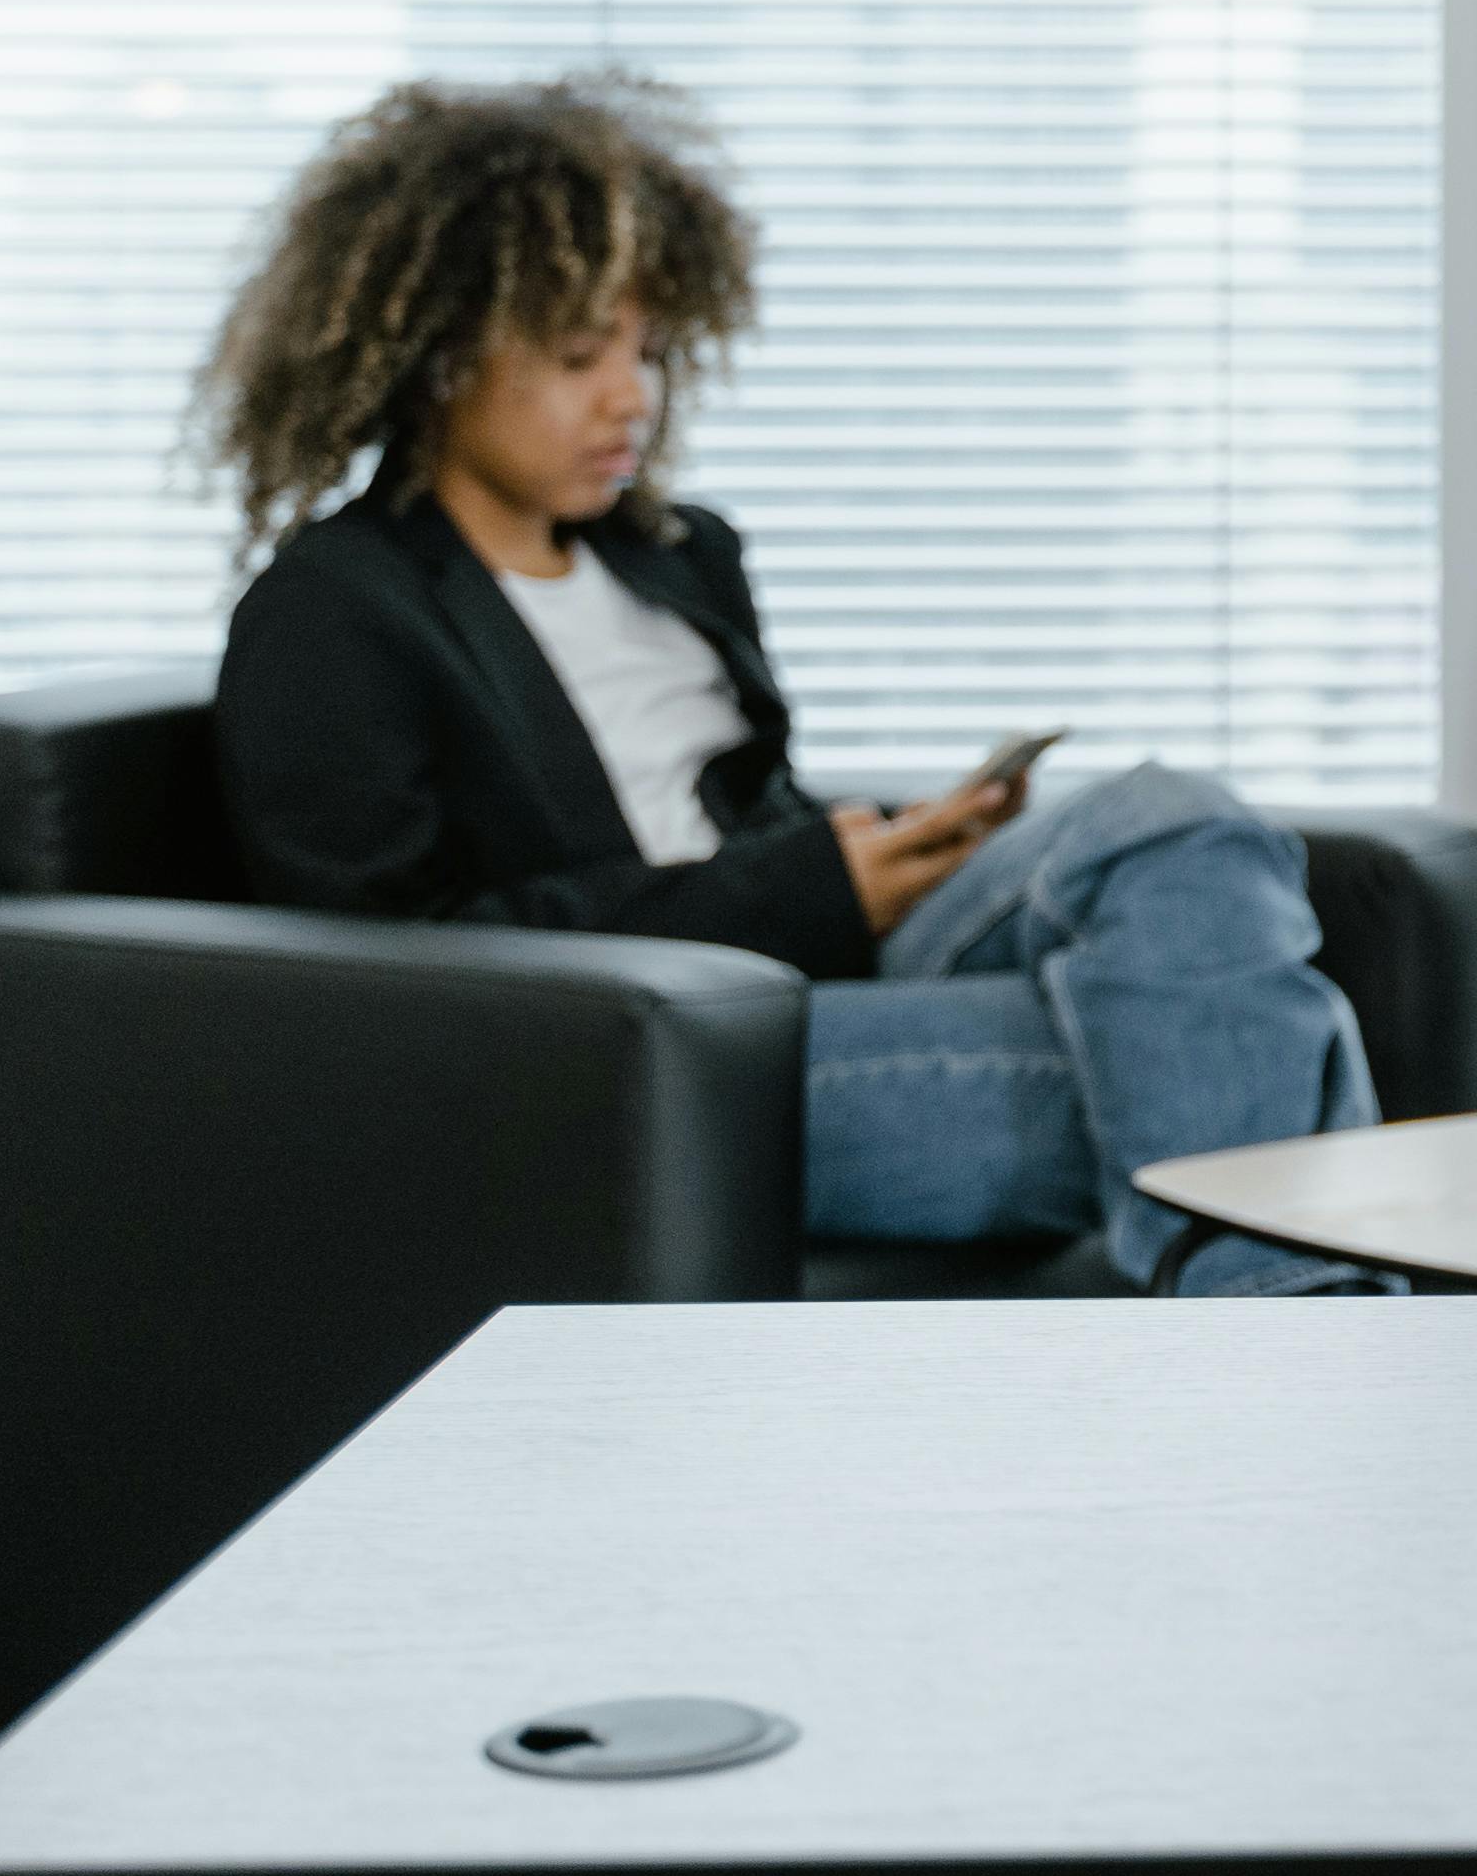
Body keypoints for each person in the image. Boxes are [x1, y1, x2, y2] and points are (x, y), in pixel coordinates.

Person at [201, 73, 1381, 1292]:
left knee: (1175, 819)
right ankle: (1294, 1341)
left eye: (649, 350)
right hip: (645, 1056)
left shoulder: (675, 554)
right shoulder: (334, 611)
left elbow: (733, 809)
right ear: (440, 361)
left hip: (820, 970)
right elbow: (397, 970)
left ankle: (1270, 1329)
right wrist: (808, 889)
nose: (632, 396)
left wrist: (883, 850)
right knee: (1230, 1041)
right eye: (576, 354)